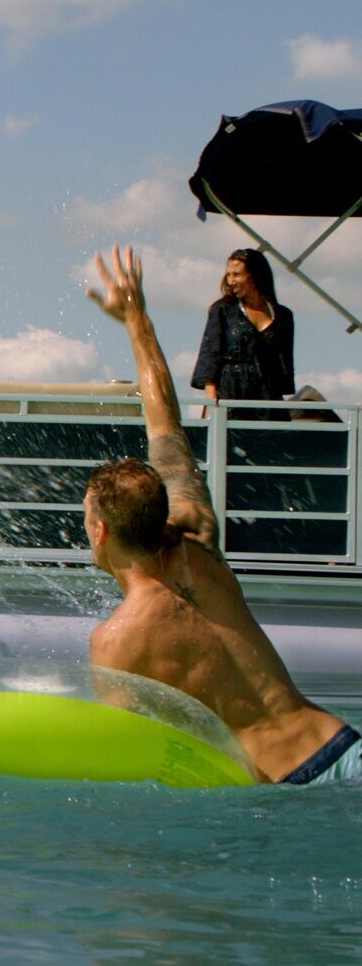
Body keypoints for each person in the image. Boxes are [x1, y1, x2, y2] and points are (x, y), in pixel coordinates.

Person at [85, 245, 357, 784]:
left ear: (102, 531)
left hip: (288, 784)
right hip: (343, 746)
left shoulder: (115, 642)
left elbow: (123, 761)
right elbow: (164, 418)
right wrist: (137, 318)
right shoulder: (197, 538)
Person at [191, 247, 294, 420]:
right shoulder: (222, 310)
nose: (231, 281)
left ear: (256, 275)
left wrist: (281, 398)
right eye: (228, 275)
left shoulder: (283, 315)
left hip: (268, 396)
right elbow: (210, 355)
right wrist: (211, 403)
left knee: (273, 445)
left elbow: (285, 362)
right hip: (230, 393)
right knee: (229, 446)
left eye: (237, 274)